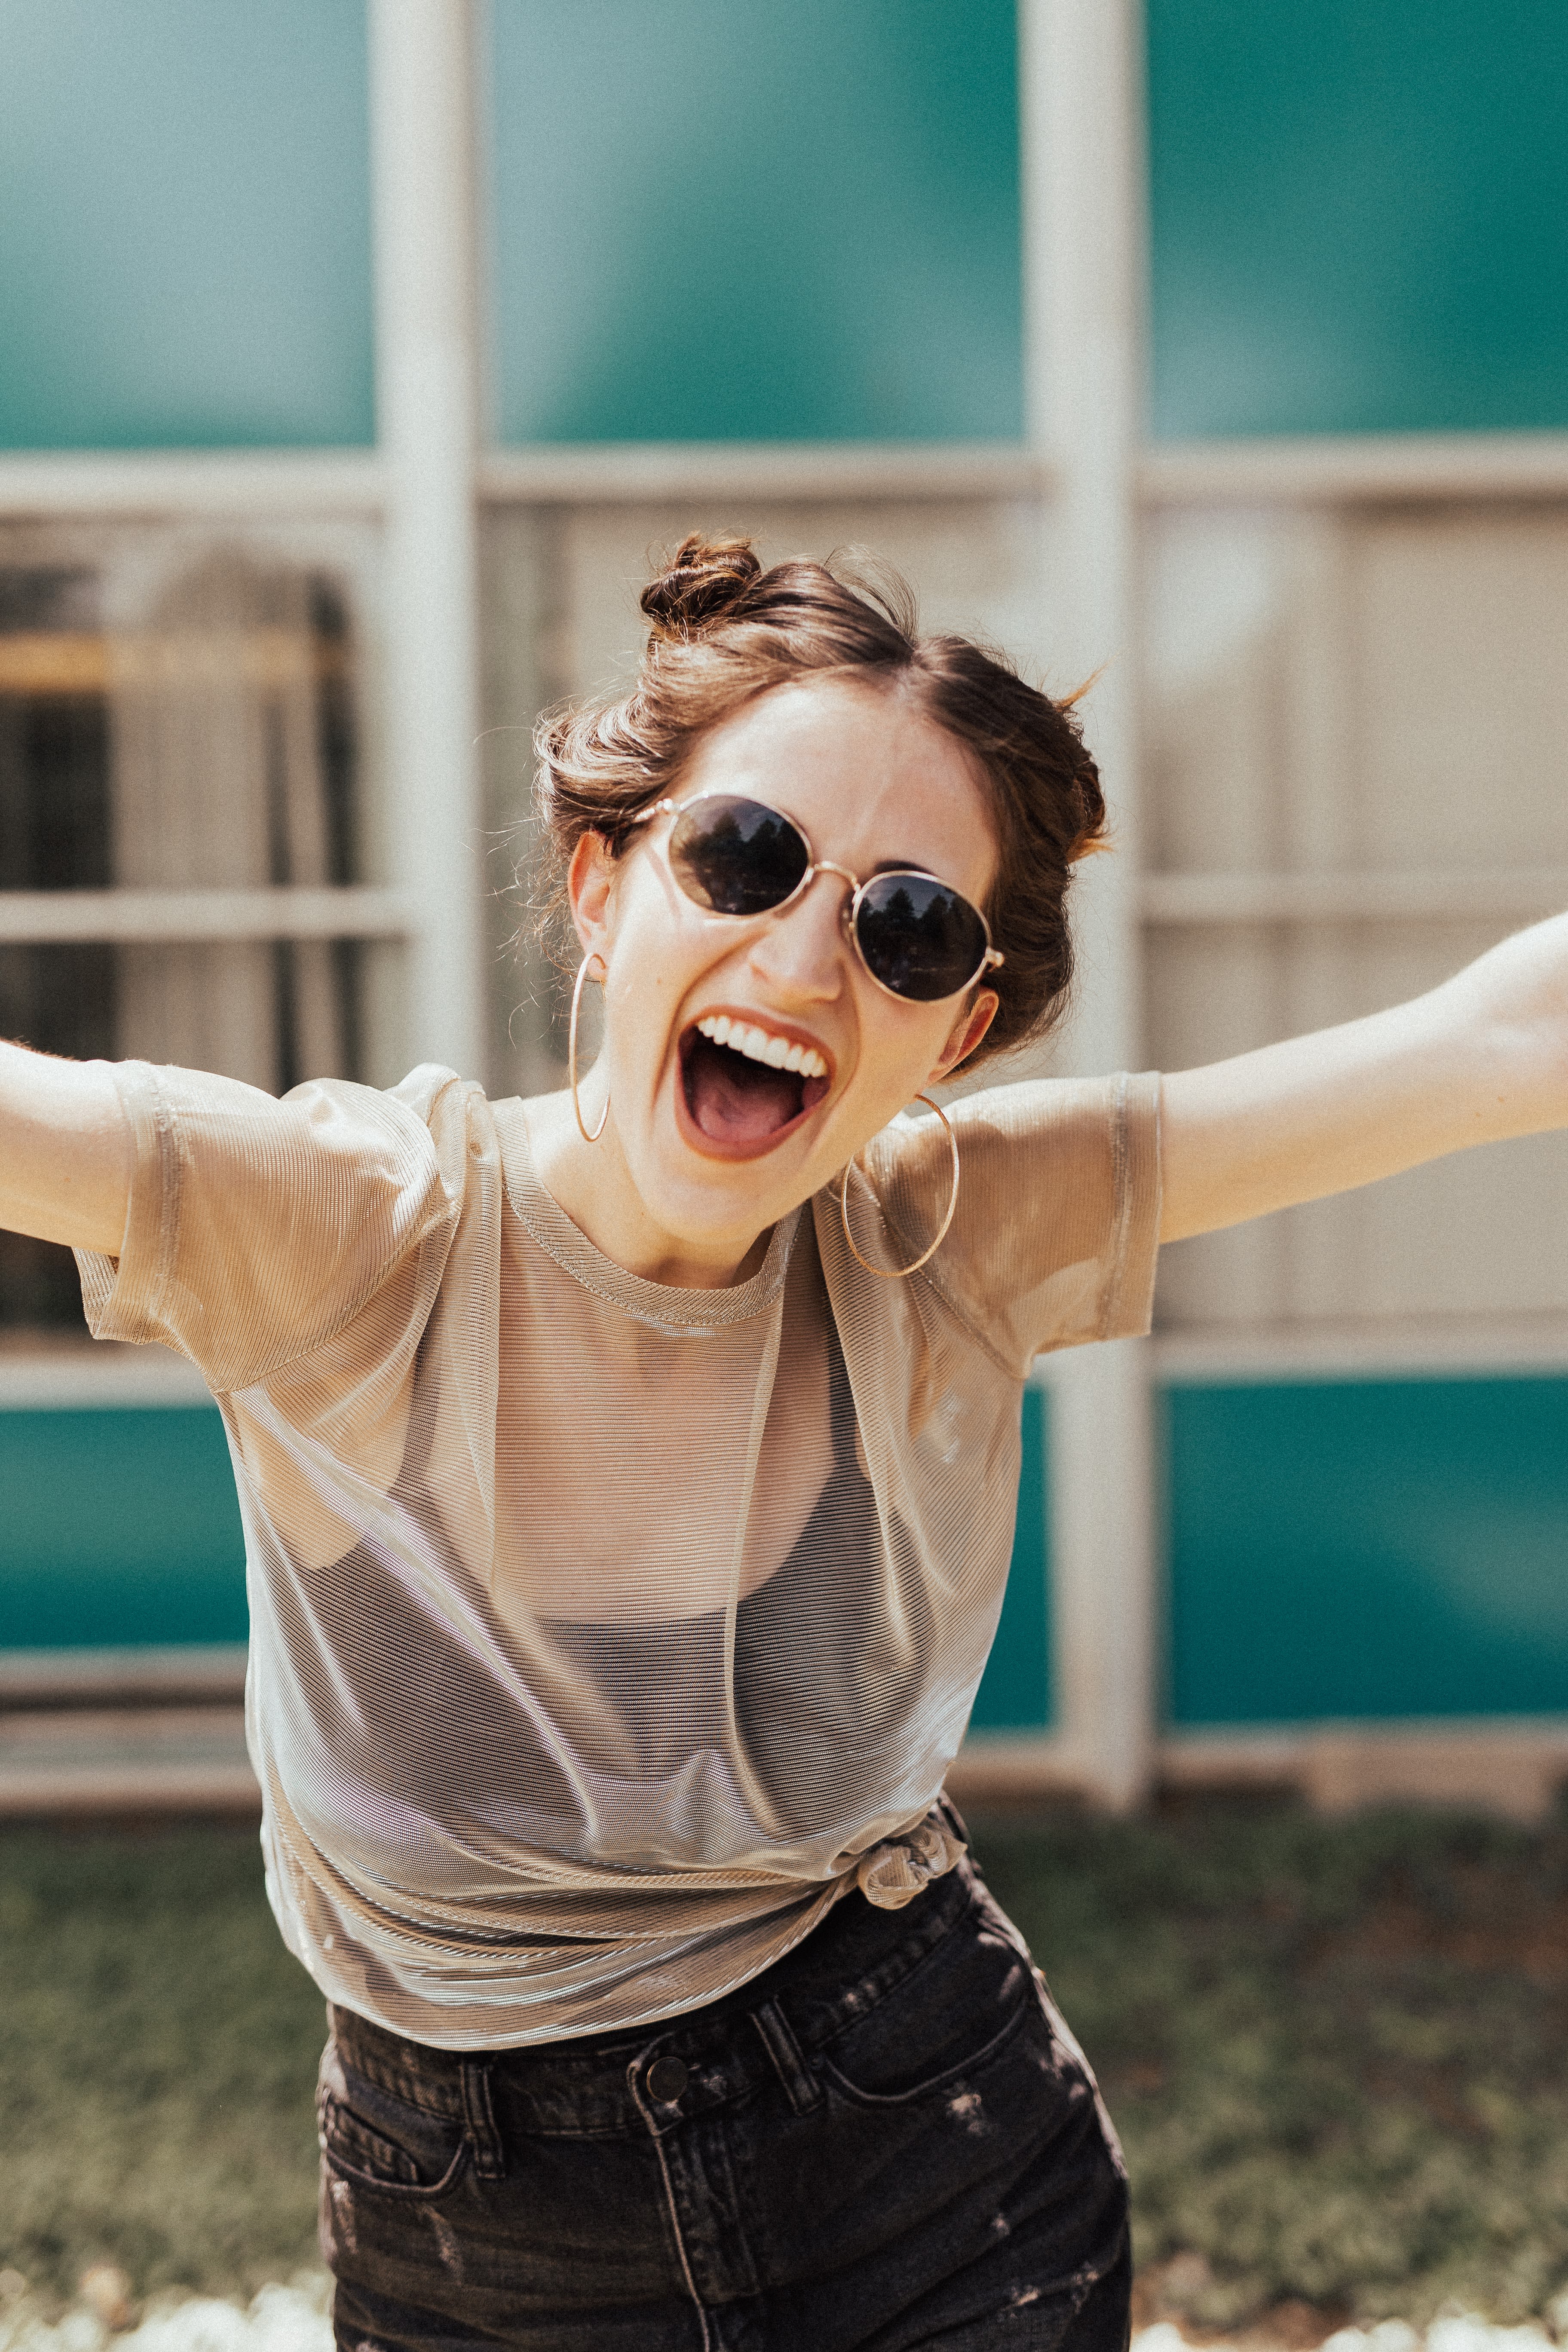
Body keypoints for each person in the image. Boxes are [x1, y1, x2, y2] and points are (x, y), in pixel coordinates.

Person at [3, 535, 1566, 2351]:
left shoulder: (952, 1232)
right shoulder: (363, 1234)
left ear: (959, 1025)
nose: (808, 954)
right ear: (602, 892)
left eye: (909, 926)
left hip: (931, 2162)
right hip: (470, 2228)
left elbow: (1495, 1040)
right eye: (744, 856)